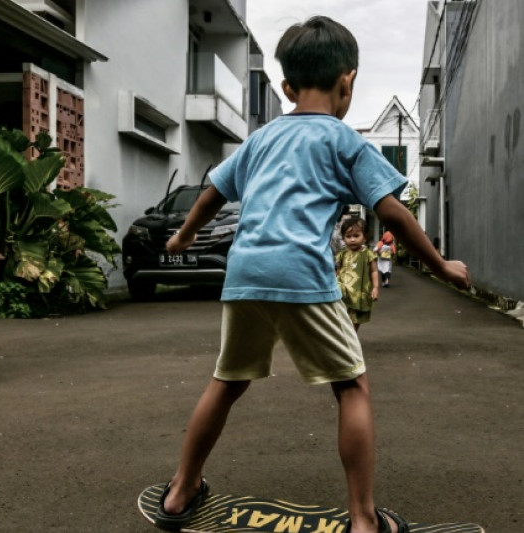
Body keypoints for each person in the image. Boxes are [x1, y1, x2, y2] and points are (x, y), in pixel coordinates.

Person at [153, 17, 470, 533]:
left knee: (226, 382)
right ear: (348, 81)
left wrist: (185, 235)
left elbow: (213, 190)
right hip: (301, 275)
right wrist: (440, 265)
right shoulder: (346, 142)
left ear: (286, 87)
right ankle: (364, 519)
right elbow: (392, 212)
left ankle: (180, 491)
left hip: (245, 273)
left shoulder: (260, 140)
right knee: (352, 387)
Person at [335, 217, 379, 332]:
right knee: (341, 316)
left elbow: (374, 271)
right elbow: (338, 271)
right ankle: (344, 337)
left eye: (356, 235)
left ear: (364, 237)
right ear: (343, 238)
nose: (352, 239)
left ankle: (352, 337)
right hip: (343, 292)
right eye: (348, 236)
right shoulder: (342, 254)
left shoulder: (368, 254)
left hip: (360, 293)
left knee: (356, 318)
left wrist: (375, 287)